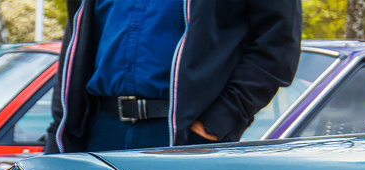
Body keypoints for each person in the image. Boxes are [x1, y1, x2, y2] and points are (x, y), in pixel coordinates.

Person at [46, 0, 300, 153]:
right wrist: (59, 130)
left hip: (186, 138)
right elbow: (75, 47)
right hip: (99, 133)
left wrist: (220, 119)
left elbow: (278, 46)